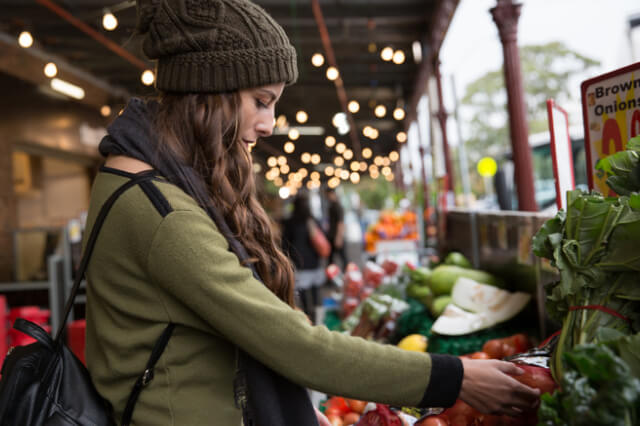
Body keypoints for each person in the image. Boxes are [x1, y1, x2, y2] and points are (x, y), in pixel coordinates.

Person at [84, 0, 540, 425]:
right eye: (260, 101)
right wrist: (456, 376)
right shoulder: (162, 211)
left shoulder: (141, 178)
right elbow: (295, 345)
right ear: (210, 90)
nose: (267, 123)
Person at [281, 192, 325, 321]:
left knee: (304, 294)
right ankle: (319, 318)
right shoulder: (313, 220)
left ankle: (308, 317)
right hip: (315, 262)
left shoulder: (290, 223)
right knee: (316, 293)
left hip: (300, 263)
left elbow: (284, 244)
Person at [326, 187, 347, 267]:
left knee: (343, 258)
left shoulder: (338, 207)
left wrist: (339, 237)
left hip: (336, 236)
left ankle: (347, 274)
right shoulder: (332, 206)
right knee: (331, 259)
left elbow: (340, 223)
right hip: (332, 236)